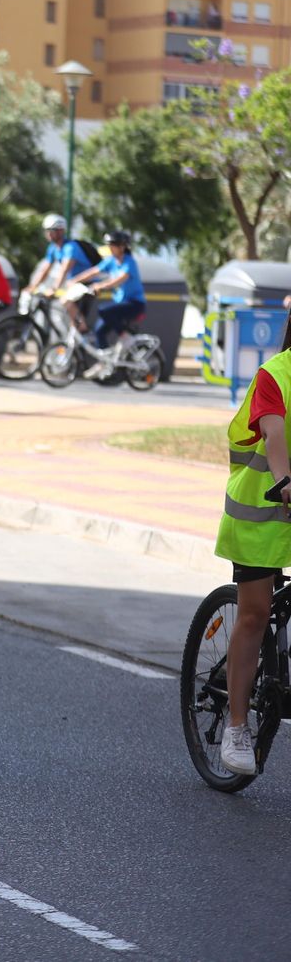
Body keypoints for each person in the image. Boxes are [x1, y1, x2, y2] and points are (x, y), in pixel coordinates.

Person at [215, 320, 291, 776]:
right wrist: (285, 482)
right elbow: (276, 437)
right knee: (255, 613)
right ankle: (237, 727)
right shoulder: (276, 375)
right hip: (262, 512)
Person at [68, 231, 145, 349]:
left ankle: (125, 336)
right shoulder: (111, 261)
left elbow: (119, 280)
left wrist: (100, 286)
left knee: (103, 309)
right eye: (109, 244)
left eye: (113, 244)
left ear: (122, 246)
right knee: (99, 331)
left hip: (134, 304)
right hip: (119, 304)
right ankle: (106, 362)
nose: (110, 247)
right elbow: (93, 272)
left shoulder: (129, 262)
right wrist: (75, 280)